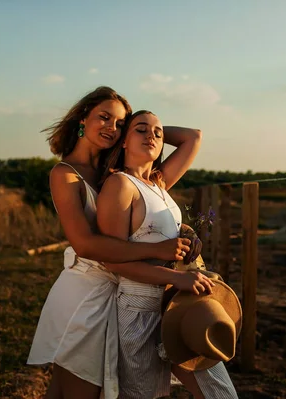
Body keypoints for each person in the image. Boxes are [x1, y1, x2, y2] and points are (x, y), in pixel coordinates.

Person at [26, 87, 208, 399]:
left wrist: (143, 126)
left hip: (120, 290)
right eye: (104, 118)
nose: (112, 127)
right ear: (82, 118)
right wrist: (157, 250)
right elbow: (85, 244)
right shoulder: (65, 174)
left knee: (64, 391)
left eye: (120, 123)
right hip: (86, 295)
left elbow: (192, 137)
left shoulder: (120, 173)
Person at [97, 110, 238, 399]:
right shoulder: (120, 185)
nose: (152, 135)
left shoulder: (158, 184)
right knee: (145, 395)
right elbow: (112, 259)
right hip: (140, 307)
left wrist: (184, 231)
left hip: (179, 302)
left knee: (220, 394)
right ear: (123, 140)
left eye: (159, 133)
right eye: (140, 130)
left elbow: (193, 137)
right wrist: (125, 126)